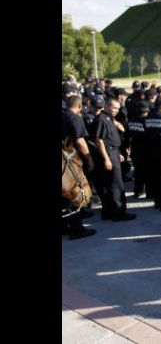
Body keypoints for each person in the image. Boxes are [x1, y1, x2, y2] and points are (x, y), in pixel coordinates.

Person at [92, 98, 136, 222]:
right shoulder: (101, 119)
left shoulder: (109, 118)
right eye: (114, 107)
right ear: (106, 106)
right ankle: (119, 213)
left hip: (113, 152)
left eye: (118, 108)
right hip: (108, 154)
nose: (116, 110)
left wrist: (117, 153)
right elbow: (99, 140)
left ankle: (109, 212)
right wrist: (107, 159)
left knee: (110, 184)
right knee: (116, 185)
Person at [62, 95, 97, 240]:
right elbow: (80, 141)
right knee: (73, 191)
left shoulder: (63, 115)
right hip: (68, 159)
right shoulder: (75, 118)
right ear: (80, 107)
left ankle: (64, 227)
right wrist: (88, 158)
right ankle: (76, 229)